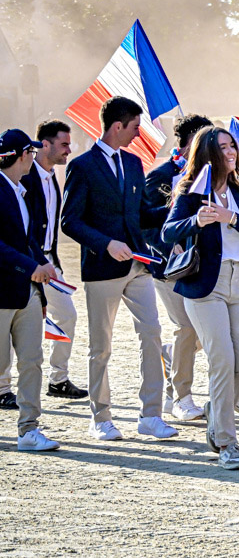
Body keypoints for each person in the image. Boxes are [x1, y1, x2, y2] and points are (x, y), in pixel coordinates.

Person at [61, 96, 177, 442]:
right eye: (135, 127)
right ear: (117, 126)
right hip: (101, 268)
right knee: (101, 346)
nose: (138, 134)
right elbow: (70, 221)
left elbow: (141, 215)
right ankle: (100, 418)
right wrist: (106, 243)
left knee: (152, 334)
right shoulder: (82, 166)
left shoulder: (133, 162)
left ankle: (151, 415)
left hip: (138, 266)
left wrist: (175, 207)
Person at [162, 127, 239, 469]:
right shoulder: (192, 191)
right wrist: (195, 221)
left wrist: (232, 218)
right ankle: (227, 442)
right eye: (223, 147)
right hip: (204, 286)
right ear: (208, 153)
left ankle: (216, 407)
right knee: (221, 359)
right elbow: (168, 231)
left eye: (232, 146)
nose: (231, 152)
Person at [0, 120, 85, 411]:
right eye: (64, 144)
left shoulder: (47, 178)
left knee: (65, 317)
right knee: (12, 333)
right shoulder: (21, 181)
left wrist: (46, 264)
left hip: (45, 262)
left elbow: (38, 231)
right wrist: (32, 265)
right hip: (21, 266)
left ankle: (57, 379)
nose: (68, 150)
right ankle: (3, 388)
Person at [144, 113, 212, 422]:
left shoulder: (212, 175)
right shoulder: (160, 176)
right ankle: (180, 397)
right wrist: (170, 247)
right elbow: (145, 225)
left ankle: (173, 354)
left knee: (201, 331)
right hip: (169, 269)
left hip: (205, 267)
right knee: (187, 327)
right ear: (189, 142)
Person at [0, 129, 59, 451]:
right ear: (23, 155)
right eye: (31, 153)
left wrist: (41, 284)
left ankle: (28, 429)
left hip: (27, 293)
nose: (33, 159)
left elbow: (28, 242)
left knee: (32, 361)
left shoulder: (21, 190)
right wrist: (31, 266)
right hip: (3, 294)